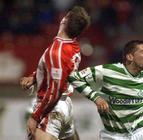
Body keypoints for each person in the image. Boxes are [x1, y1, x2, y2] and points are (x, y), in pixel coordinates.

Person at [68, 40, 143, 140]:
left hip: (142, 133)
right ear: (130, 57)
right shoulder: (108, 72)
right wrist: (96, 98)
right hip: (113, 136)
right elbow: (74, 78)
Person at [20, 6, 90, 140]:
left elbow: (55, 90)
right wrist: (34, 77)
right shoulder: (72, 45)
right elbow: (57, 70)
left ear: (64, 20)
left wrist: (35, 117)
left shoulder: (57, 51)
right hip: (65, 104)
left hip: (52, 108)